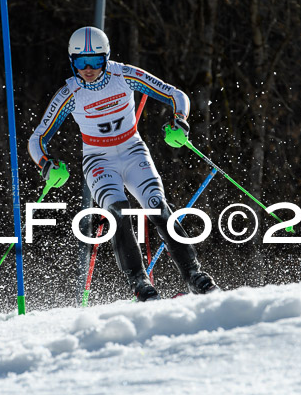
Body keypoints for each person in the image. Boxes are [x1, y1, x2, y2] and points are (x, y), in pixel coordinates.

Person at [28, 26, 219, 301]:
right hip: (98, 160)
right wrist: (46, 164)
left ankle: (194, 275)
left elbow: (176, 95)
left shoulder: (124, 75)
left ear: (106, 58)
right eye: (81, 62)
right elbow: (37, 139)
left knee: (156, 205)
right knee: (119, 211)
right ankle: (140, 283)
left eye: (95, 61)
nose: (88, 69)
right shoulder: (69, 94)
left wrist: (180, 120)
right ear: (72, 61)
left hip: (132, 151)